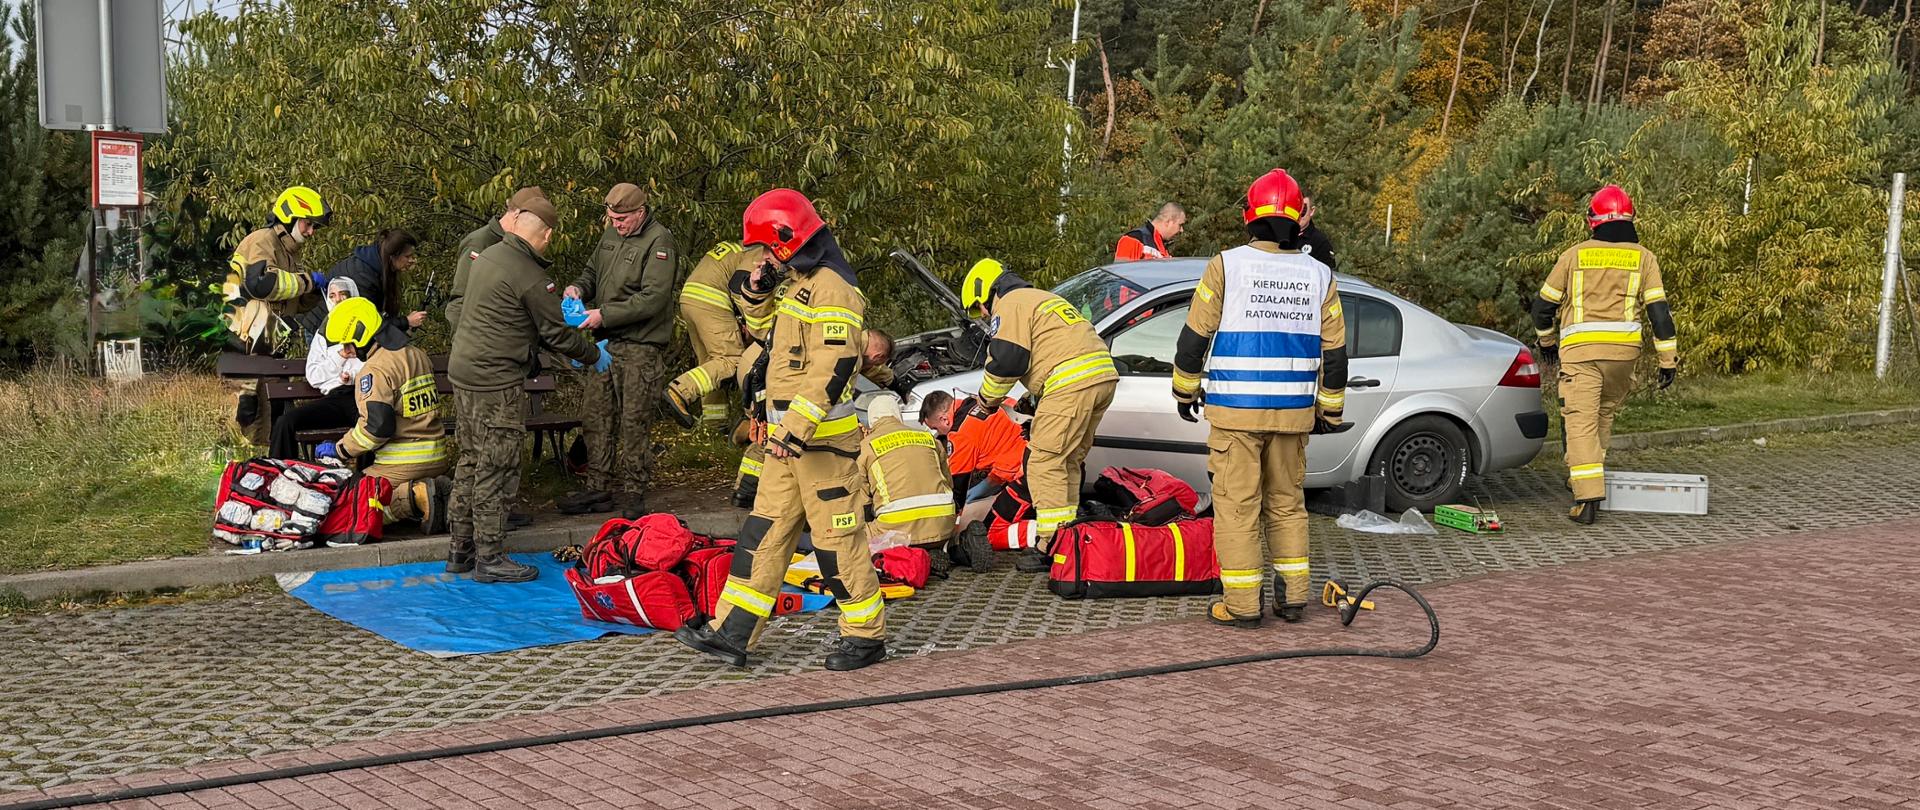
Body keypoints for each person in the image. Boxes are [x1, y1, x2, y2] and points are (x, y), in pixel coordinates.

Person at [675, 188, 890, 672]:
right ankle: (733, 632)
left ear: (788, 240)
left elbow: (833, 367)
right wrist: (756, 292)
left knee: (837, 543)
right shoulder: (801, 283)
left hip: (820, 444)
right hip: (786, 446)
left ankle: (866, 636)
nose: (764, 255)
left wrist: (794, 428)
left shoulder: (834, 288)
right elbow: (766, 334)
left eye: (767, 247)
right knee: (763, 536)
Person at [1172, 168, 1348, 627]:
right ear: (1296, 218)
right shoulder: (1318, 274)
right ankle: (1292, 601)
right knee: (1288, 503)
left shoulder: (1227, 264)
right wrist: (1330, 409)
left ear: (1250, 216)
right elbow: (1336, 351)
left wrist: (1184, 388)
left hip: (1236, 414)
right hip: (1293, 415)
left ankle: (1243, 605)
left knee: (1237, 506)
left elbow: (1195, 336)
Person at [445, 194, 600, 583]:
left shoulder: (490, 255)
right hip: (495, 382)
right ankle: (491, 557)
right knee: (497, 466)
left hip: (464, 373)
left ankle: (459, 549)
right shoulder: (531, 276)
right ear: (545, 235)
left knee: (470, 460)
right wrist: (592, 354)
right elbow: (555, 335)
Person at [958, 258, 1118, 573]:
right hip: (1100, 378)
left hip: (1070, 382)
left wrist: (987, 400)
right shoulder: (1043, 298)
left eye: (979, 308)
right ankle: (1069, 541)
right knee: (1066, 460)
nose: (984, 315)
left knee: (1044, 461)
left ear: (986, 291)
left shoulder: (1011, 304)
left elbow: (1007, 360)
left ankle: (1052, 548)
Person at [1532, 184, 1679, 525]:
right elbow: (1660, 314)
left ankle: (1587, 500)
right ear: (1632, 217)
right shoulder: (1644, 257)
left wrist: (1547, 343)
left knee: (1580, 423)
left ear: (1591, 221)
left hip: (1582, 354)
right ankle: (1582, 476)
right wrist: (1667, 361)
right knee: (1602, 416)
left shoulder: (1574, 255)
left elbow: (1542, 308)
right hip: (1623, 354)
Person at [558, 183, 678, 518]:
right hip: (605, 344)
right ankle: (597, 487)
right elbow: (592, 273)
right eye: (612, 218)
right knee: (597, 416)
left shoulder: (659, 241)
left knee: (634, 420)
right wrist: (578, 289)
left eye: (622, 218)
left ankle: (634, 492)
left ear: (640, 213)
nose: (617, 225)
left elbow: (653, 299)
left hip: (640, 345)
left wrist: (603, 315)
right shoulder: (610, 236)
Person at [313, 297, 451, 532]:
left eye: (348, 344)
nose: (347, 352)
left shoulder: (375, 370)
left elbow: (377, 429)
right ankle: (438, 493)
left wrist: (340, 449)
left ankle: (415, 499)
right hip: (436, 456)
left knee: (350, 506)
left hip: (402, 463)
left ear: (362, 336)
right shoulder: (416, 354)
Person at [223, 186, 330, 447]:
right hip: (247, 350)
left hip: (271, 348)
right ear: (290, 218)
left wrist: (316, 290)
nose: (311, 231)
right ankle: (244, 471)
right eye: (308, 224)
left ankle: (267, 468)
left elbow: (293, 301)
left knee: (273, 417)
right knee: (248, 417)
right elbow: (262, 284)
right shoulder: (263, 241)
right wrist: (307, 281)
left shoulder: (288, 251)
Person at [665, 240, 763, 430]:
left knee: (712, 364)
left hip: (690, 300)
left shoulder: (733, 247)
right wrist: (751, 322)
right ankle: (680, 390)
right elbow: (739, 285)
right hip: (712, 300)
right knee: (732, 360)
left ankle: (714, 426)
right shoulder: (758, 252)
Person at [269, 278, 365, 458]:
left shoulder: (367, 325)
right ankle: (279, 476)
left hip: (364, 395)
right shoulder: (324, 332)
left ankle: (368, 482)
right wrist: (340, 357)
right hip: (335, 400)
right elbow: (314, 376)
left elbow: (377, 366)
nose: (337, 300)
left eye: (343, 295)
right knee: (285, 422)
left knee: (370, 426)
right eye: (332, 295)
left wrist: (351, 376)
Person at [859, 393, 956, 567]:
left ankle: (910, 557)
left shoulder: (866, 447)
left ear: (871, 420)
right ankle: (956, 548)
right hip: (943, 524)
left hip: (897, 529)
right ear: (898, 415)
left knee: (853, 535)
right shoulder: (929, 439)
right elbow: (949, 483)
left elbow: (863, 501)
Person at [446, 186, 546, 333]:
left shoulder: (519, 246)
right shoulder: (480, 243)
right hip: (480, 342)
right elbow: (459, 301)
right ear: (518, 216)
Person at [326, 229, 426, 332]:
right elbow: (370, 324)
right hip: (325, 329)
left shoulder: (375, 267)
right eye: (407, 256)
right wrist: (406, 321)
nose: (412, 260)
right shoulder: (364, 278)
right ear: (393, 256)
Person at [1113, 202, 1186, 262]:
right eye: (1180, 225)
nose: (1181, 230)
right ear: (1168, 222)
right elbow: (1120, 275)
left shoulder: (1162, 247)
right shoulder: (1133, 239)